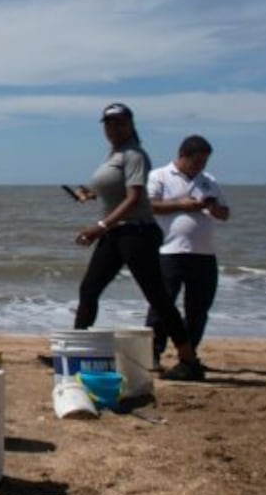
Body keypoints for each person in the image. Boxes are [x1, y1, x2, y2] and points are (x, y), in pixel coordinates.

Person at [69, 104, 206, 380]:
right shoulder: (115, 154)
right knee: (89, 289)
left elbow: (134, 198)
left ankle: (189, 361)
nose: (113, 128)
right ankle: (75, 354)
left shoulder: (134, 155)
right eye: (108, 123)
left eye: (119, 123)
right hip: (116, 233)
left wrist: (99, 226)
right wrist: (91, 195)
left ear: (131, 124)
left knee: (158, 297)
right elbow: (116, 193)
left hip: (136, 233)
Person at [145, 135, 230, 368]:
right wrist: (182, 205)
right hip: (169, 251)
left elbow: (225, 214)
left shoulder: (209, 180)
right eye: (197, 161)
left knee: (199, 309)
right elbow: (149, 206)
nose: (201, 166)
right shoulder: (159, 175)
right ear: (183, 156)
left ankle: (188, 355)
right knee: (162, 305)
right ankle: (152, 354)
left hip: (204, 254)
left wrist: (213, 207)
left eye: (205, 162)